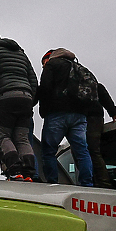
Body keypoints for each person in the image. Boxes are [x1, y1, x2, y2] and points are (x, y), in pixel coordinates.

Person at [0, 31, 38, 181]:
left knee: (3, 136)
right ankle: (29, 173)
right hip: (25, 98)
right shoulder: (21, 53)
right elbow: (33, 79)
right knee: (22, 138)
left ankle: (15, 170)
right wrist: (31, 99)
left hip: (5, 98)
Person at [38, 48, 94, 186]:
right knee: (82, 151)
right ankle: (87, 183)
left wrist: (43, 111)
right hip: (79, 116)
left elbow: (45, 88)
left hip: (56, 113)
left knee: (48, 151)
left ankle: (52, 182)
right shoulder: (79, 67)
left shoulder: (52, 65)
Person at [86, 82, 116, 188]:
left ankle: (102, 183)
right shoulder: (83, 74)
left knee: (91, 150)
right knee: (89, 151)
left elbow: (98, 88)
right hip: (94, 116)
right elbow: (99, 88)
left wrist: (113, 112)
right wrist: (113, 112)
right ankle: (97, 182)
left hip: (89, 117)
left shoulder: (73, 74)